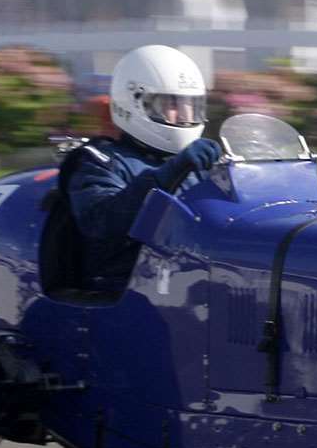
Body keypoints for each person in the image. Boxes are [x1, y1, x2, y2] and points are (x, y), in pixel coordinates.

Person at [61, 45, 224, 290]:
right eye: (171, 104)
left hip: (191, 278)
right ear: (135, 103)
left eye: (191, 105)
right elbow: (102, 223)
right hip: (127, 285)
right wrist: (165, 177)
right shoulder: (98, 161)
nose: (184, 114)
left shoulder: (198, 164)